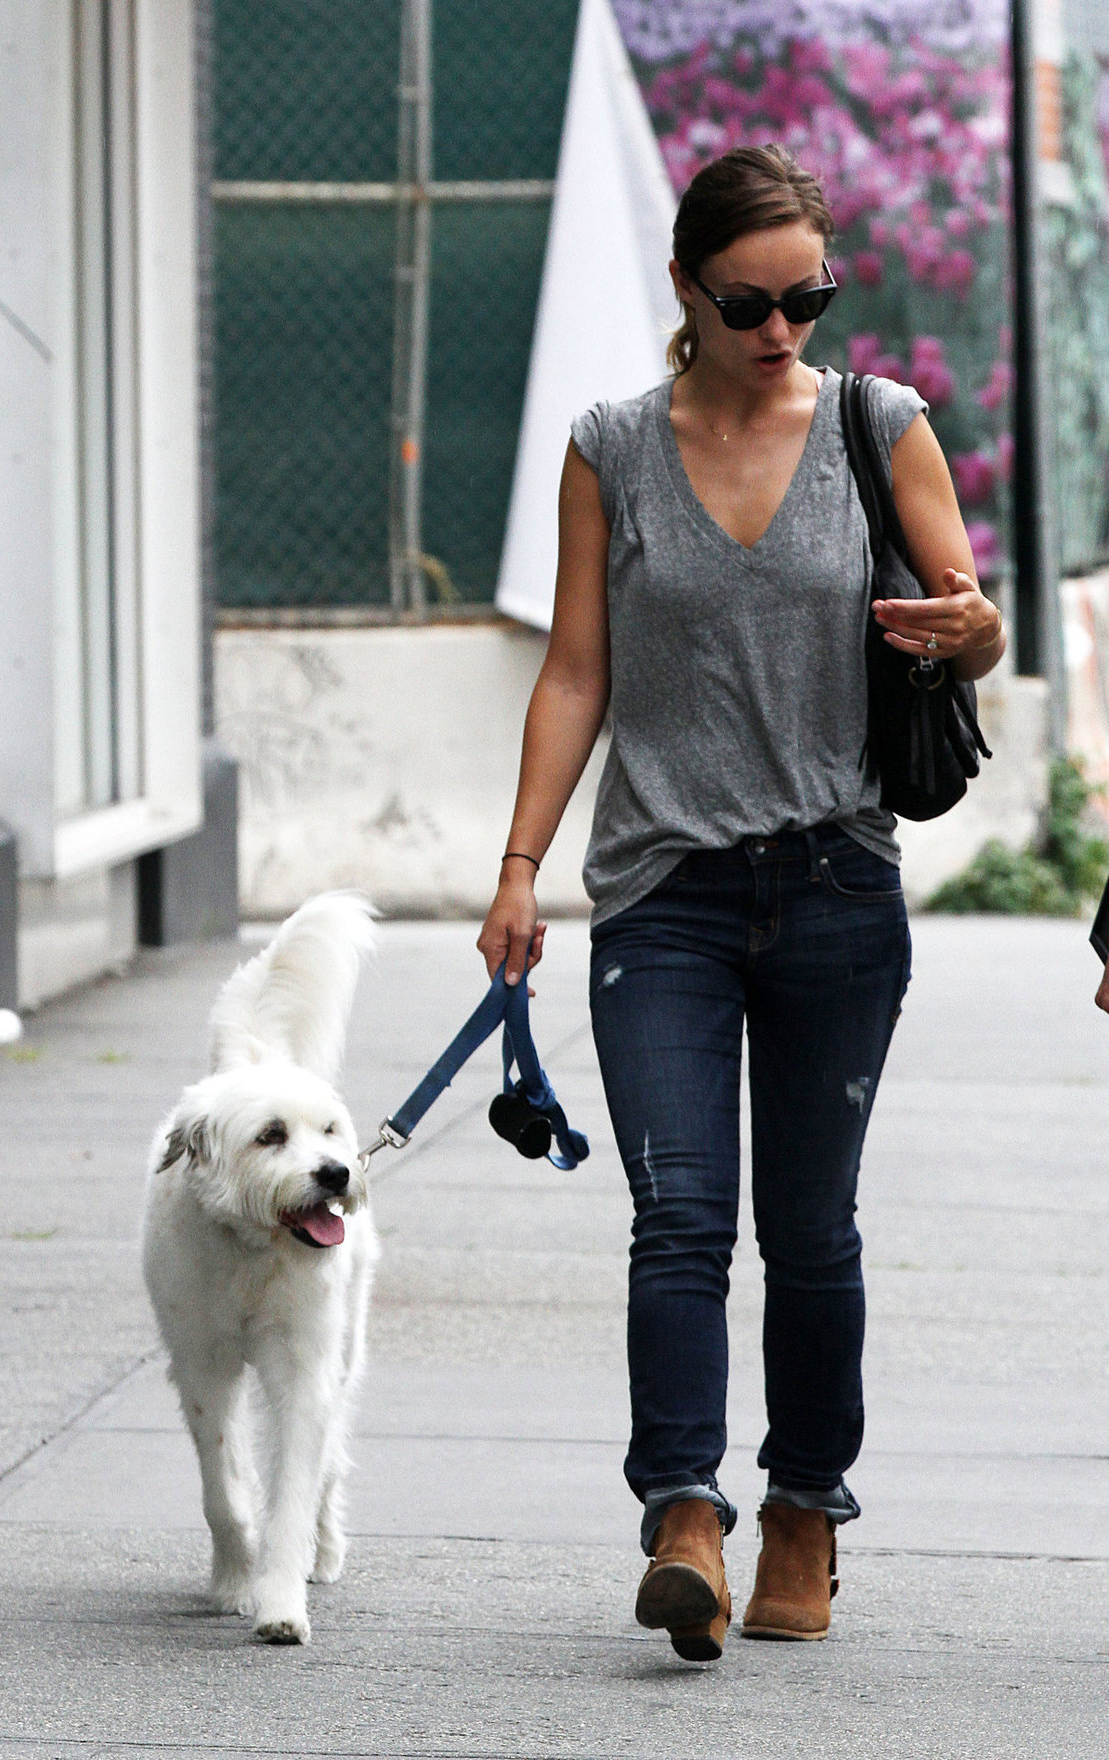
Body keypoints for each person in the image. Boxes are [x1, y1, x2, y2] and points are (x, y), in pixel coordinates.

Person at [478, 145, 1006, 1662]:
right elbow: (575, 669)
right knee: (680, 1220)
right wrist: (518, 868)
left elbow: (966, 621)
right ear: (686, 290)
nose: (782, 331)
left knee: (813, 1230)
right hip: (665, 897)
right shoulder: (610, 449)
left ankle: (805, 1516)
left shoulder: (878, 425)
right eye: (747, 305)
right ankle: (683, 1519)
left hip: (837, 881)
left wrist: (969, 632)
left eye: (807, 300)